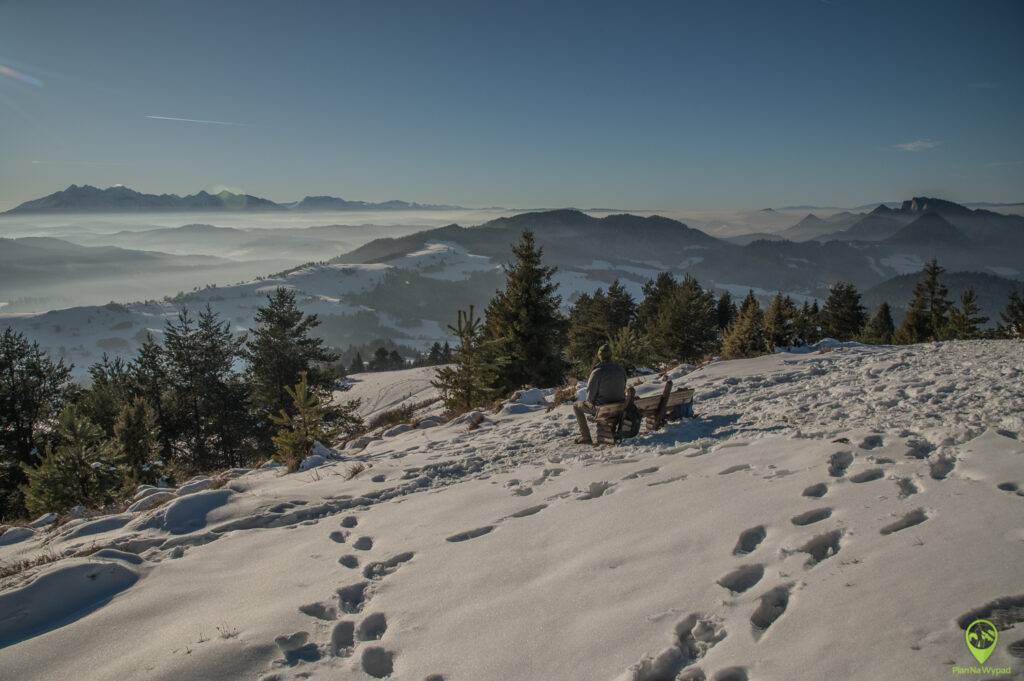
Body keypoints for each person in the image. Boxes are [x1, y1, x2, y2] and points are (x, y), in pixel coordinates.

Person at [573, 344, 627, 444]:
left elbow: (590, 397)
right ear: (611, 355)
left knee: (576, 406)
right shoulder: (620, 369)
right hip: (619, 406)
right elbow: (623, 388)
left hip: (602, 409)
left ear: (600, 356)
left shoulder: (597, 372)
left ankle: (585, 436)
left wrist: (590, 403)